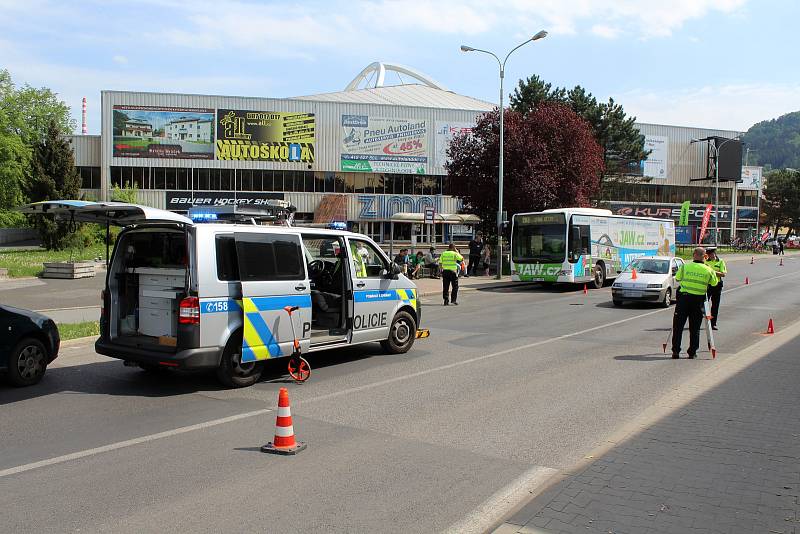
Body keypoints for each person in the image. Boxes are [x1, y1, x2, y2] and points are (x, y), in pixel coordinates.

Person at [671, 247, 719, 359]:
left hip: (683, 300)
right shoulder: (708, 269)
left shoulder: (685, 266)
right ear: (705, 256)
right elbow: (714, 283)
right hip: (698, 301)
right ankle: (692, 352)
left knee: (678, 327)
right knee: (695, 328)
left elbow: (678, 278)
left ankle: (676, 352)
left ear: (694, 255)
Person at [704, 247, 727, 330]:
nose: (710, 256)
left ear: (714, 253)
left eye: (711, 254)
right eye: (709, 254)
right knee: (703, 305)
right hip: (707, 285)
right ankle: (700, 321)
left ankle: (713, 323)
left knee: (715, 306)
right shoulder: (706, 262)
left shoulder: (720, 261)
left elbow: (723, 274)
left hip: (717, 285)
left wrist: (713, 272)